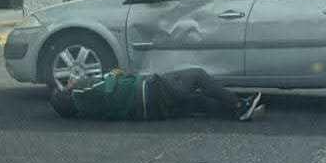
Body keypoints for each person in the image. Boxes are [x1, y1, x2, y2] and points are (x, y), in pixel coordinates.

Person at [50, 67, 265, 122]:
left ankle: (239, 113)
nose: (68, 83)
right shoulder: (80, 91)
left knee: (196, 101)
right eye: (65, 87)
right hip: (148, 91)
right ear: (68, 94)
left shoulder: (85, 111)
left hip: (147, 111)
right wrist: (113, 74)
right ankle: (238, 106)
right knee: (197, 76)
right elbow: (107, 87)